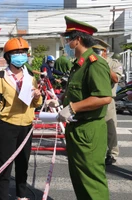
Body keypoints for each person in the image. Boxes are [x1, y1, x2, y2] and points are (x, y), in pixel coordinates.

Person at [48, 16, 112, 200]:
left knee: (91, 181)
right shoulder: (79, 65)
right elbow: (80, 92)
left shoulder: (94, 63)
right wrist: (61, 100)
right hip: (77, 129)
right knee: (79, 179)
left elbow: (103, 97)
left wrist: (73, 107)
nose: (67, 43)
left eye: (69, 38)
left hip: (89, 130)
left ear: (79, 39)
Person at [0, 37, 42, 200]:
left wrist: (37, 96)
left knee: (23, 165)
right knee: (5, 167)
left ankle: (21, 196)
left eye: (23, 52)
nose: (20, 55)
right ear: (8, 56)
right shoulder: (0, 78)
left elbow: (36, 103)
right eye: (16, 53)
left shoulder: (30, 76)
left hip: (27, 126)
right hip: (8, 126)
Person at [93, 38, 123, 165]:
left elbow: (116, 78)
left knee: (110, 128)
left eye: (98, 51)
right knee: (94, 126)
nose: (95, 53)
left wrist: (103, 63)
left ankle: (112, 153)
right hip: (93, 98)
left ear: (105, 51)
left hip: (107, 99)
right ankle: (96, 151)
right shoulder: (92, 62)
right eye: (94, 50)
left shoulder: (114, 64)